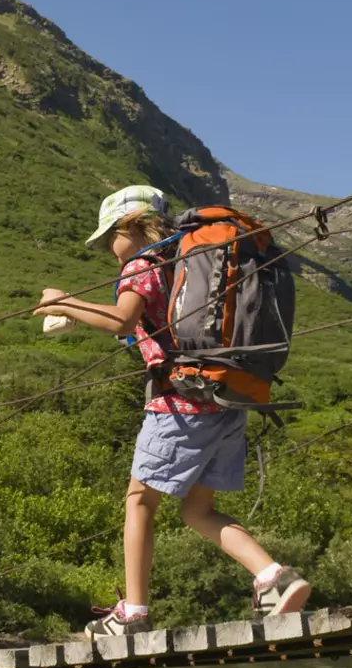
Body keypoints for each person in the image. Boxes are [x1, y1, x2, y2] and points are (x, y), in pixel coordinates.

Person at [35, 185, 313, 637]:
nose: (110, 249)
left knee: (139, 501)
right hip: (226, 399)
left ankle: (133, 613)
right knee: (198, 511)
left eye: (110, 238)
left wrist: (64, 301)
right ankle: (273, 578)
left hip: (180, 406)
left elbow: (122, 320)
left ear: (131, 228)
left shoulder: (142, 265)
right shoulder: (184, 262)